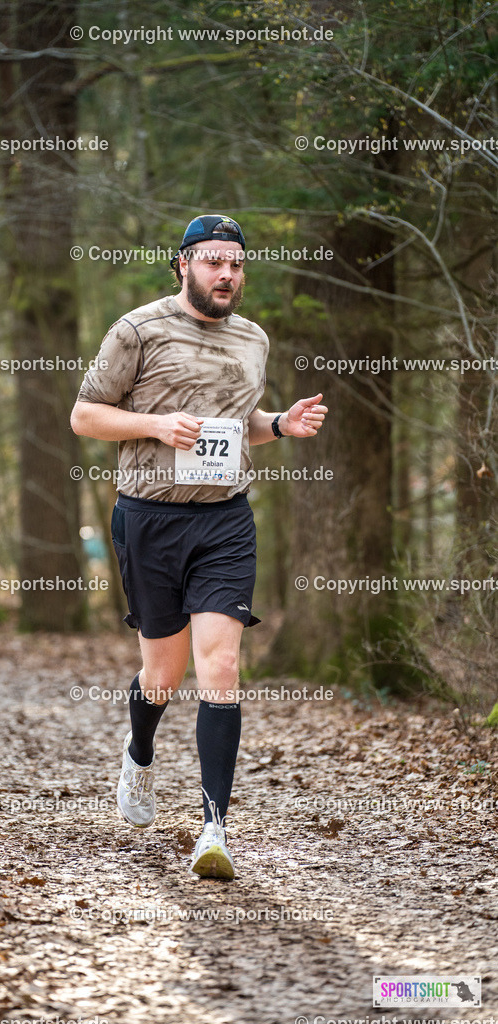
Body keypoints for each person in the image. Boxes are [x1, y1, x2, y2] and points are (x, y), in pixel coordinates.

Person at [70, 214, 327, 879]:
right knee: (163, 677)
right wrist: (155, 422)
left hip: (223, 521)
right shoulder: (138, 330)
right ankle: (139, 754)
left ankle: (214, 830)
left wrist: (277, 423)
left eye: (236, 263)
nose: (226, 274)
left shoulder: (251, 339)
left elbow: (237, 426)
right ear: (182, 264)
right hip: (149, 520)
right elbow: (84, 414)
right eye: (213, 261)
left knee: (222, 665)